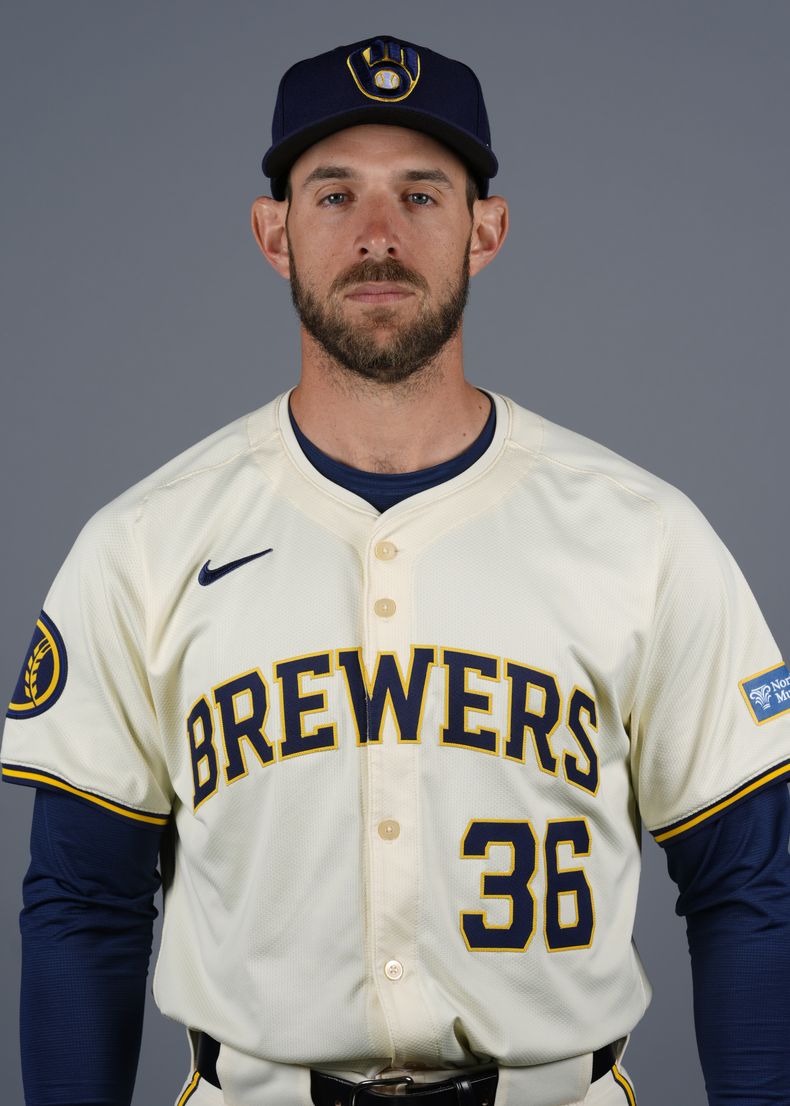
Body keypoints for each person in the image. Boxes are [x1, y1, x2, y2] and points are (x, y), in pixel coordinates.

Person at [3, 34, 790, 1106]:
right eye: (334, 195)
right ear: (273, 232)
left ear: (486, 229)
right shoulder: (142, 543)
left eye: (421, 195)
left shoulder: (646, 534)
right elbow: (83, 904)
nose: (378, 234)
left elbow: (751, 887)